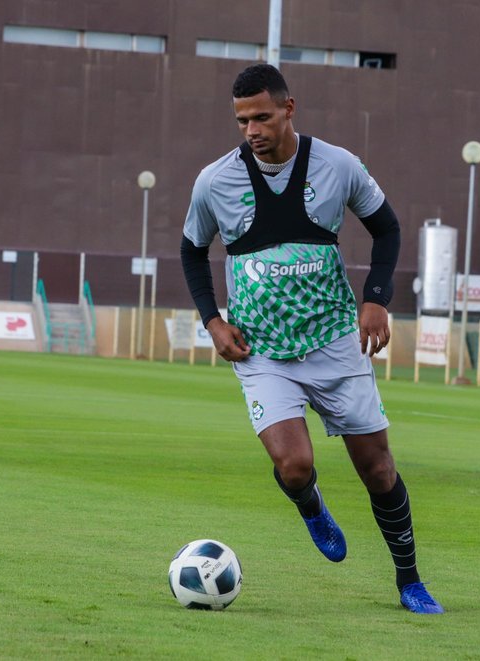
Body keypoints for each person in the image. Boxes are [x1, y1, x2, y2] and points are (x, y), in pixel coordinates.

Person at [179, 63, 443, 615]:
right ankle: (311, 505)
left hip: (335, 342)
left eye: (262, 117)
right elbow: (192, 250)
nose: (252, 130)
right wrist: (212, 320)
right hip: (262, 351)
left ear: (289, 108)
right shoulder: (214, 181)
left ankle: (410, 581)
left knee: (378, 469)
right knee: (294, 466)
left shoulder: (338, 165)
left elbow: (387, 227)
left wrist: (376, 298)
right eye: (242, 121)